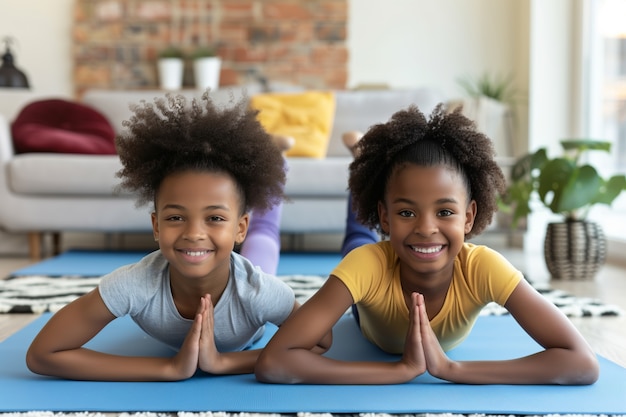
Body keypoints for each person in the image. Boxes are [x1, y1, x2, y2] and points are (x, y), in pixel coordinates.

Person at [255, 104, 600, 385]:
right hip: (371, 270)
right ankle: (360, 160)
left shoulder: (483, 267)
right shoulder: (367, 265)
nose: (426, 228)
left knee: (363, 240)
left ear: (468, 217)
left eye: (445, 211)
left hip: (384, 257)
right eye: (406, 212)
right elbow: (274, 362)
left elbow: (582, 363)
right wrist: (397, 371)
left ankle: (363, 160)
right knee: (359, 240)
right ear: (386, 217)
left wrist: (453, 370)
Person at [26, 93, 330, 381]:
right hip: (225, 255)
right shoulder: (134, 284)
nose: (194, 233)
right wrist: (169, 367)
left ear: (239, 228)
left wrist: (223, 363)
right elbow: (42, 354)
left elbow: (320, 342)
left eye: (214, 218)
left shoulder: (258, 290)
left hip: (246, 267)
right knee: (258, 234)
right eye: (175, 218)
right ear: (156, 226)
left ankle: (279, 158)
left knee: (264, 234)